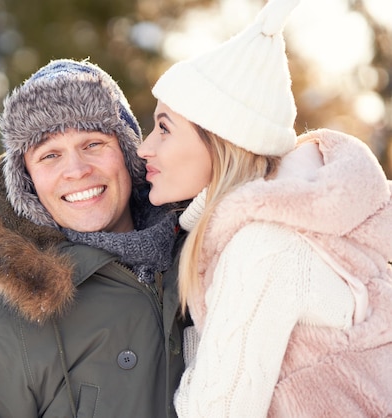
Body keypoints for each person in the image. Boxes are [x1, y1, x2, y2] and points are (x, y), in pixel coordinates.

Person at [137, 0, 392, 416]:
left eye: (164, 128)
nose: (144, 147)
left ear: (220, 143)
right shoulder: (281, 229)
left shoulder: (262, 247)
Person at [0, 58, 187, 417]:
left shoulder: (203, 259)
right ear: (27, 182)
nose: (76, 170)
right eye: (50, 155)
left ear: (130, 154)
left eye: (93, 144)